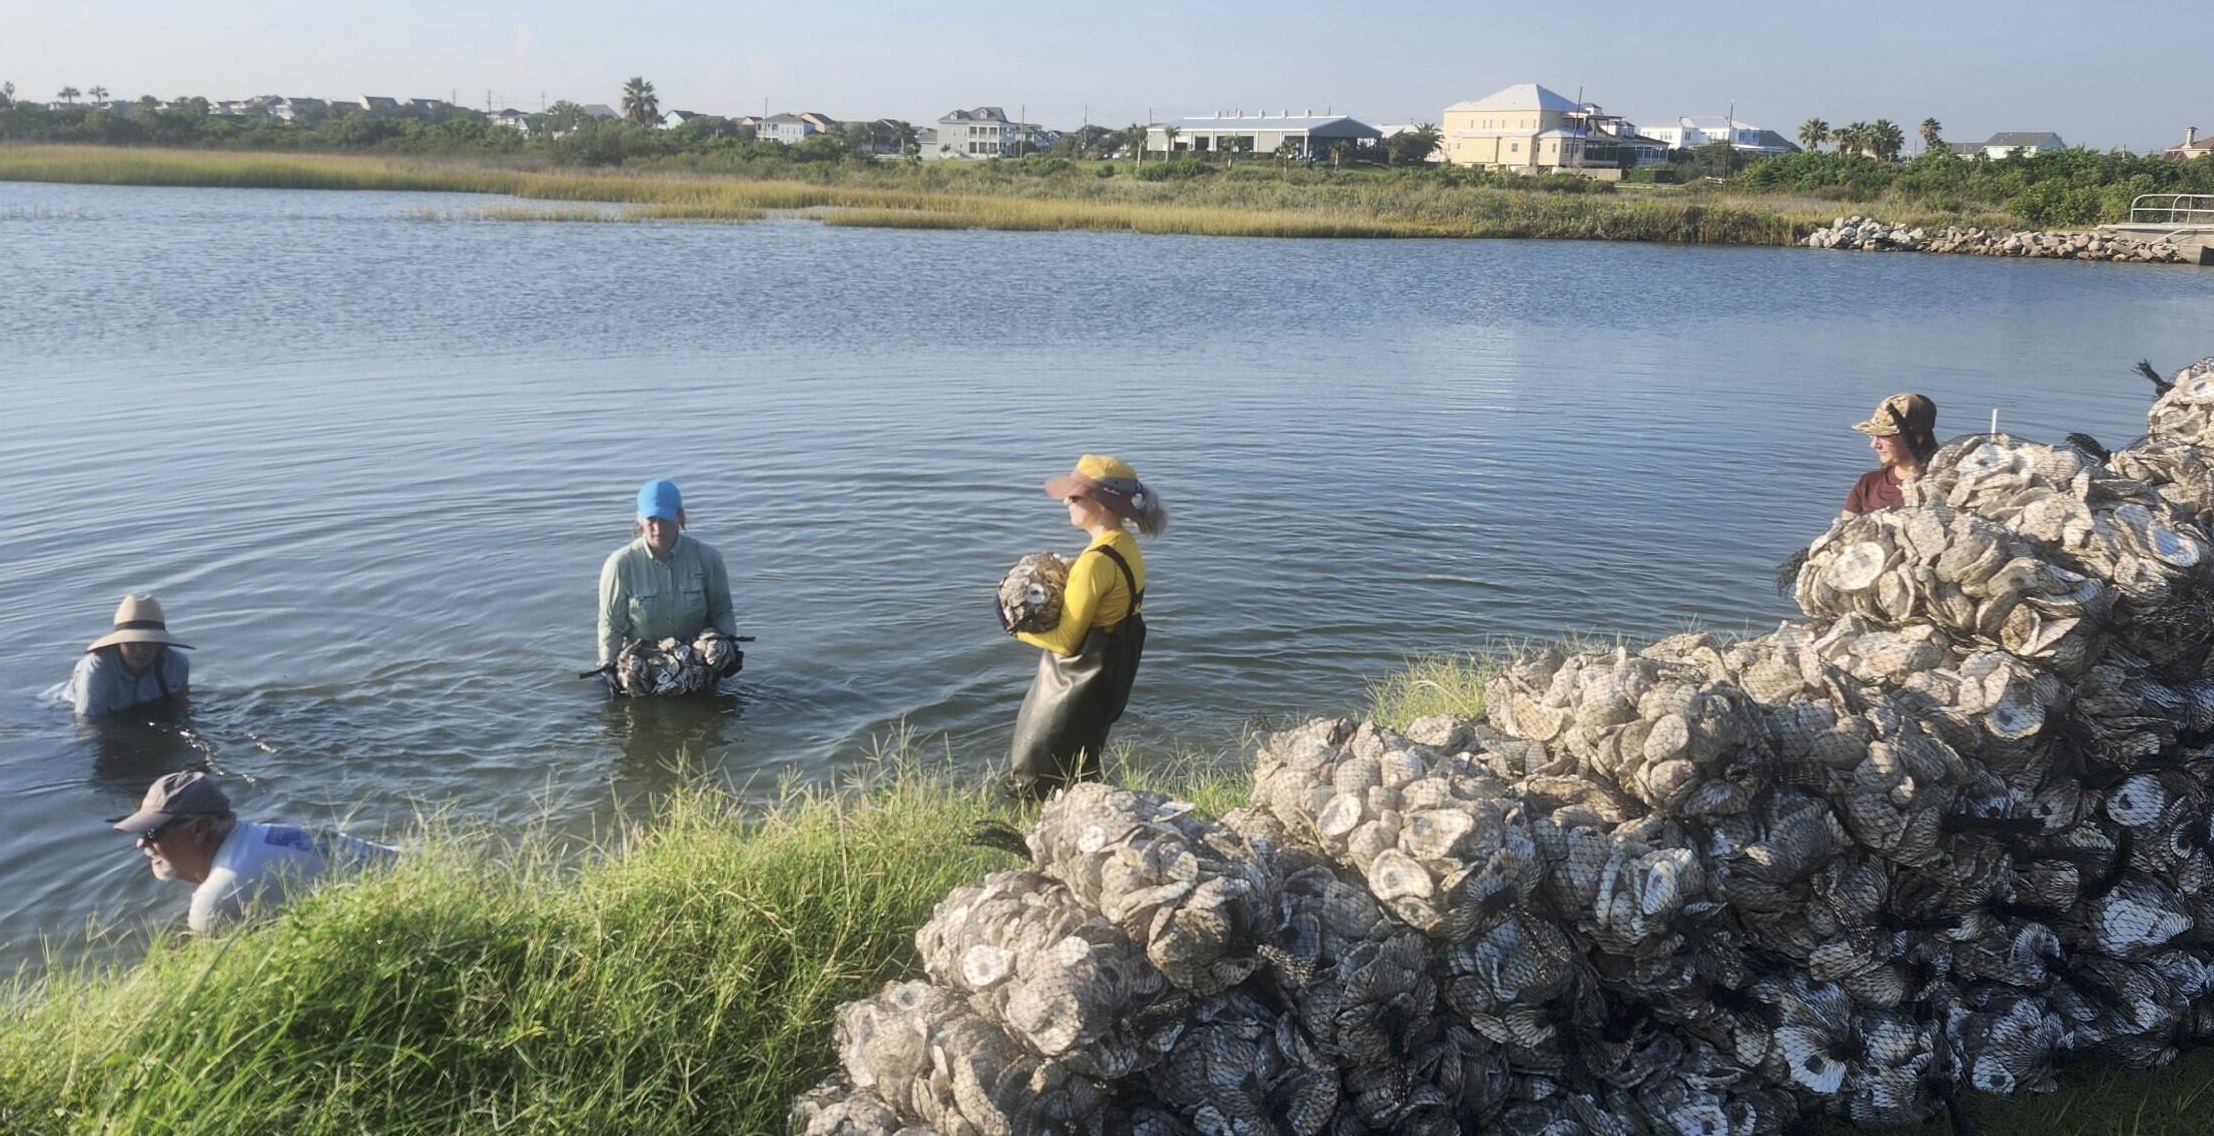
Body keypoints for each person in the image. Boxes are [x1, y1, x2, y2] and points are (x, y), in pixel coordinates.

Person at [1005, 454, 1168, 797]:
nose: (1066, 501)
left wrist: (1012, 625)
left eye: (1076, 495)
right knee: (1080, 769)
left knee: (1033, 776)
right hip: (1109, 681)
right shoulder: (1125, 546)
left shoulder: (1094, 563)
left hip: (1072, 689)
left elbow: (1065, 642)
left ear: (1103, 503)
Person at [109, 771, 396, 934]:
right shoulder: (259, 834)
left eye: (153, 832)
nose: (141, 844)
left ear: (200, 829)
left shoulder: (216, 899)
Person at [597, 478, 737, 668]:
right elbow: (611, 625)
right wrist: (607, 667)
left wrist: (729, 649)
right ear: (639, 519)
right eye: (651, 520)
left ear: (680, 516)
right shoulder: (620, 565)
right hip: (642, 663)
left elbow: (722, 611)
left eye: (664, 519)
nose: (658, 529)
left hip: (697, 660)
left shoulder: (708, 558)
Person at [66, 594, 193, 718]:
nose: (139, 649)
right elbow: (87, 724)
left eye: (148, 642)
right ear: (118, 643)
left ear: (160, 644)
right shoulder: (96, 667)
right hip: (61, 710)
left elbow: (180, 707)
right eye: (131, 642)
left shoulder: (176, 663)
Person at [1844, 392, 1939, 515]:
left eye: (1884, 436)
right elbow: (1845, 528)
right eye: (1872, 435)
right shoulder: (1868, 483)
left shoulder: (1941, 487)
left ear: (1916, 439)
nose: (1874, 445)